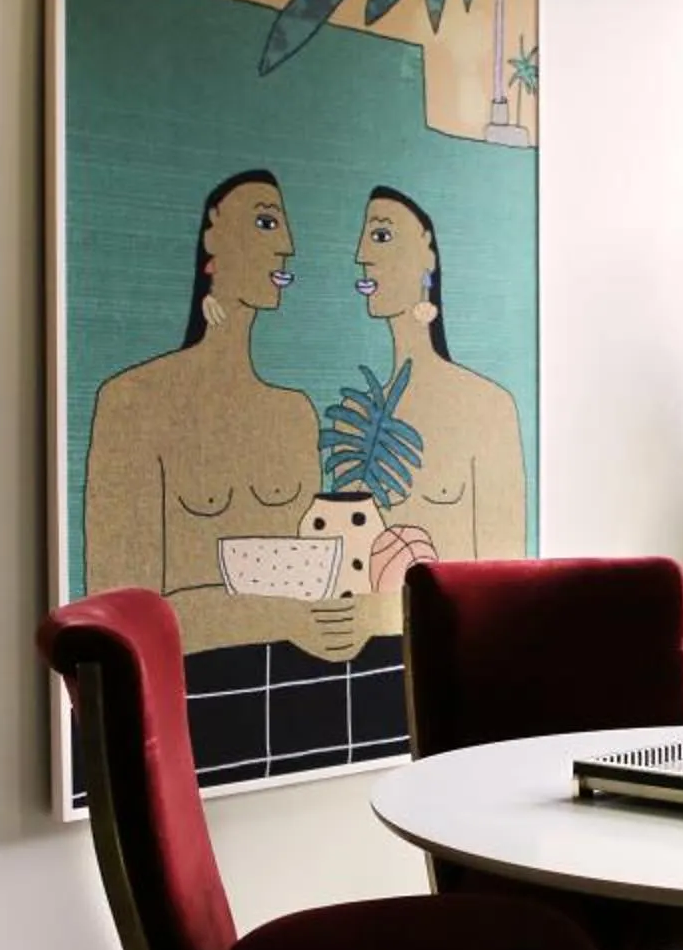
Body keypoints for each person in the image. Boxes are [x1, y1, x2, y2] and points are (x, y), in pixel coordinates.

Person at [84, 170, 367, 664]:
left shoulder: (294, 415)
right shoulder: (132, 402)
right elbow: (119, 613)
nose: (288, 245)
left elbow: (309, 581)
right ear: (213, 235)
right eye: (265, 222)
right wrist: (281, 619)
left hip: (294, 687)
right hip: (185, 692)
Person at [352, 186, 529, 563]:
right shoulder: (359, 423)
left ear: (427, 255)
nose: (362, 256)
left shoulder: (489, 407)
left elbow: (507, 573)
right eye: (365, 240)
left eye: (381, 236)